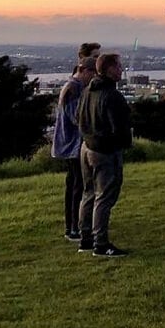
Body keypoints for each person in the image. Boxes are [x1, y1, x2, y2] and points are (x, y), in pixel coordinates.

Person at [76, 52, 132, 258]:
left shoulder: (88, 91)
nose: (121, 70)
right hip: (105, 151)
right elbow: (120, 127)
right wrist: (122, 143)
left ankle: (86, 238)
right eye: (118, 66)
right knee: (105, 196)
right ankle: (101, 243)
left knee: (89, 193)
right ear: (108, 69)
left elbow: (78, 117)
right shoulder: (111, 96)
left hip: (86, 146)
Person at [51, 56, 96, 241]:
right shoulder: (74, 89)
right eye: (92, 74)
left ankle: (74, 226)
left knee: (75, 186)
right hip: (73, 145)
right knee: (78, 187)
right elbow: (77, 118)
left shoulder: (73, 87)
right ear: (85, 71)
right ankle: (74, 228)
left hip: (71, 144)